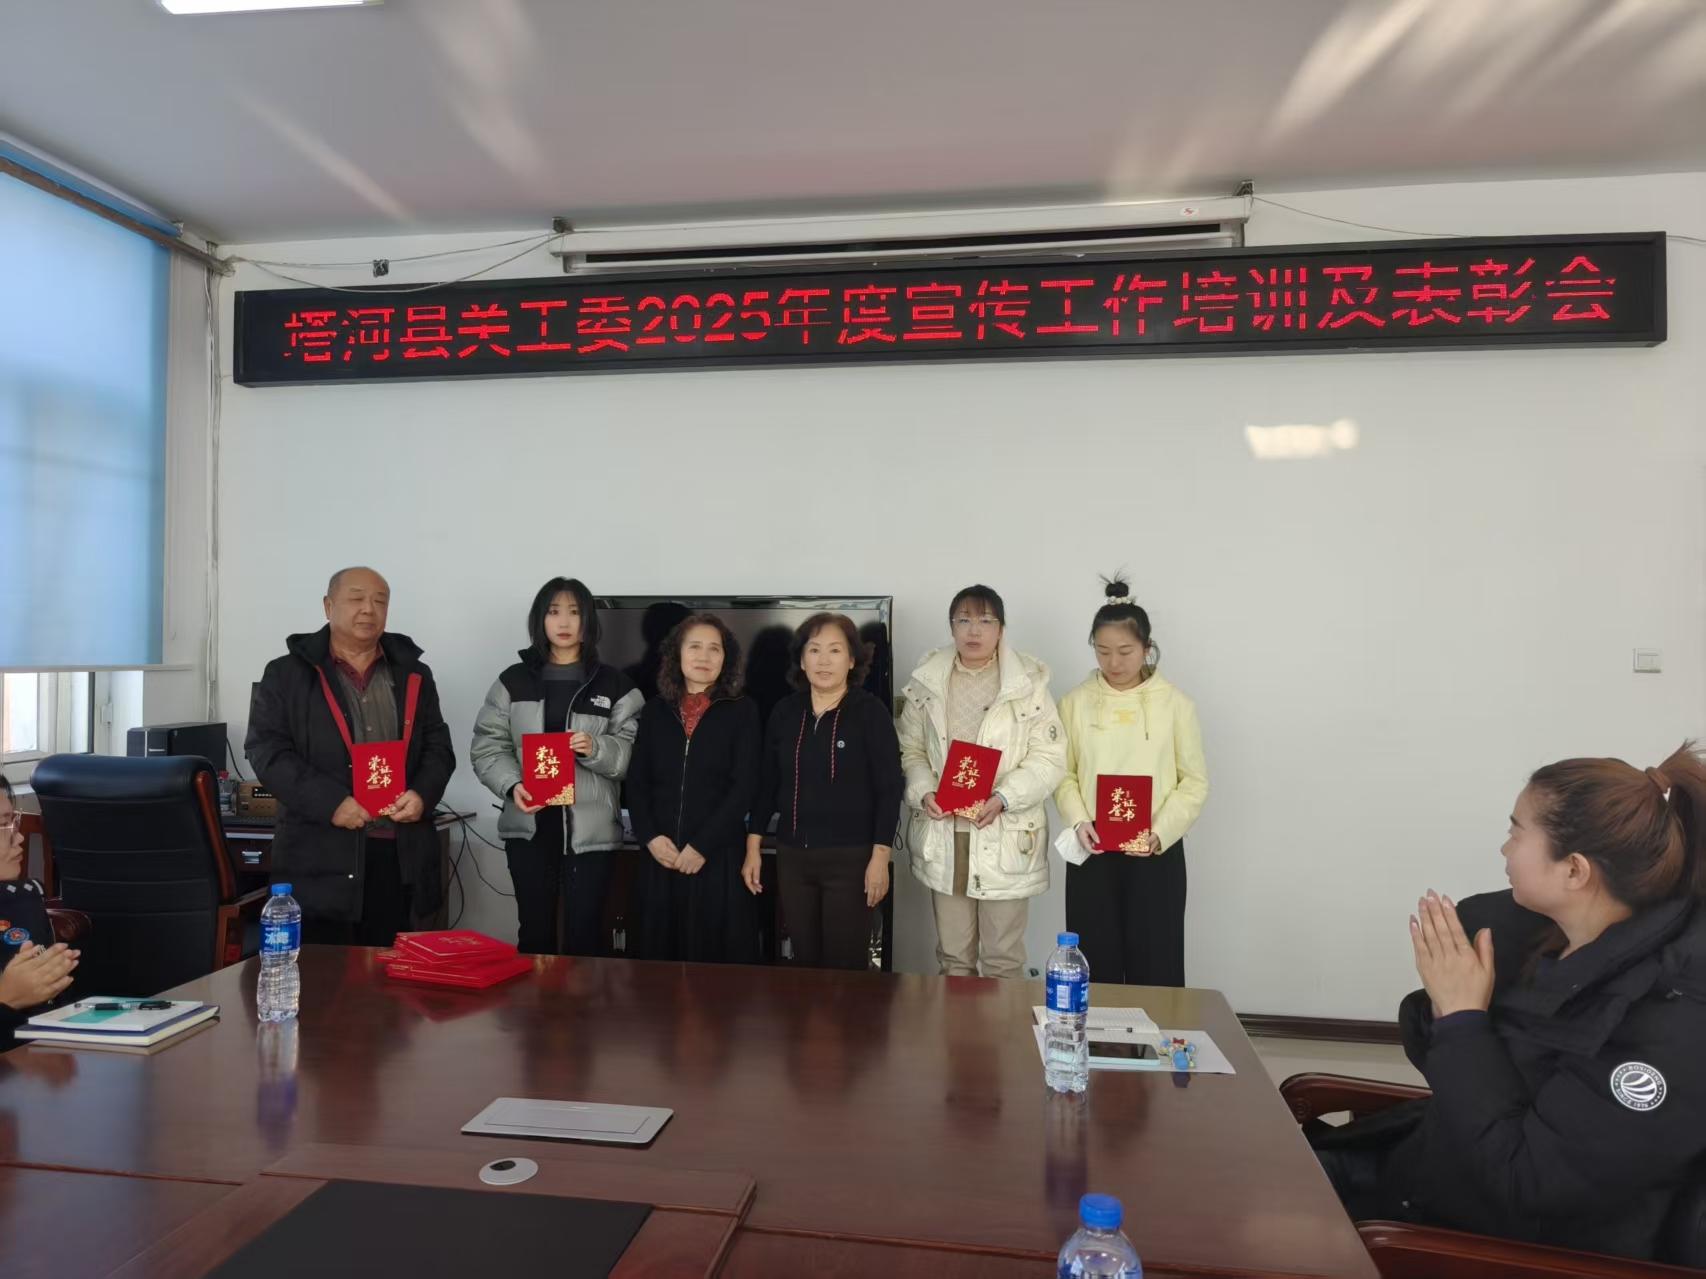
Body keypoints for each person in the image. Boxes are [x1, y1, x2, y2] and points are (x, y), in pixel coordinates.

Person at [1310, 745, 1706, 1263]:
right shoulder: (1547, 936)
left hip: (1461, 1245)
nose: (1504, 848)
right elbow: (1455, 1065)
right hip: (1420, 1177)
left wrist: (1463, 1019)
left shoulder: (1667, 1027)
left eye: (1517, 833)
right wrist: (1452, 1010)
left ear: (1574, 871)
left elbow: (1525, 1182)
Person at [246, 567, 456, 946]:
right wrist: (331, 803)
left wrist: (423, 795)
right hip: (320, 853)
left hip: (397, 851)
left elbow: (438, 746)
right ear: (328, 606)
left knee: (391, 970)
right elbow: (267, 750)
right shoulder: (287, 674)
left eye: (380, 601)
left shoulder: (413, 672)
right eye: (356, 598)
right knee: (325, 974)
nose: (368, 609)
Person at [898, 584, 1066, 978]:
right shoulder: (926, 681)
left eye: (986, 621)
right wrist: (924, 791)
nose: (974, 630)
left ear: (1001, 629)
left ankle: (1001, 1023)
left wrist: (1005, 796)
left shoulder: (1029, 685)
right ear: (951, 627)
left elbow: (1049, 757)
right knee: (953, 957)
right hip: (946, 830)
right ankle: (955, 1022)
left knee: (1002, 959)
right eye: (964, 620)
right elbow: (911, 750)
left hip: (1003, 829)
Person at [470, 577, 642, 955]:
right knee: (534, 935)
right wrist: (512, 785)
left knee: (586, 937)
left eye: (574, 612)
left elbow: (635, 758)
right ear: (540, 619)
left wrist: (596, 747)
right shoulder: (512, 681)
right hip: (529, 828)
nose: (564, 622)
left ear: (588, 620)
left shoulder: (615, 684)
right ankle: (536, 997)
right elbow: (488, 746)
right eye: (553, 612)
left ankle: (582, 997)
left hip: (591, 833)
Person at [1055, 579, 1208, 987]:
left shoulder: (1176, 704)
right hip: (1093, 849)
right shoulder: (1074, 703)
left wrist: (1161, 832)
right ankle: (1095, 1029)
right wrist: (1078, 821)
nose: (1114, 662)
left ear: (1146, 648)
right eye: (1103, 651)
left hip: (1155, 853)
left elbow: (1194, 782)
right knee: (1094, 962)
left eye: (1125, 651)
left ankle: (1159, 1030)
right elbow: (1063, 774)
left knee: (1156, 961)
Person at [745, 613, 904, 971]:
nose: (824, 660)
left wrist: (880, 859)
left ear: (852, 660)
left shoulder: (870, 713)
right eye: (814, 650)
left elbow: (889, 788)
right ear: (802, 660)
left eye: (835, 650)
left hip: (852, 860)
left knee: (845, 967)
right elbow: (767, 784)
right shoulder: (785, 712)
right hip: (793, 857)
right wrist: (753, 847)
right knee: (804, 963)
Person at [627, 613, 762, 963]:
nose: (704, 656)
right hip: (662, 855)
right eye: (695, 647)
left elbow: (745, 786)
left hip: (717, 856)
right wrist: (650, 837)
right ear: (677, 654)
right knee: (657, 964)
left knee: (714, 967)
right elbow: (637, 782)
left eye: (714, 648)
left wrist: (702, 846)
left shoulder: (743, 711)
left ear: (726, 658)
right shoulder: (655, 712)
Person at [0, 774, 78, 1051]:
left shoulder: (19, 901)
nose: (19, 837)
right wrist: (7, 998)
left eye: (13, 821)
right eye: (3, 825)